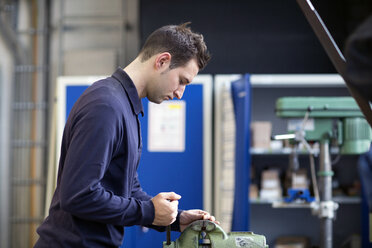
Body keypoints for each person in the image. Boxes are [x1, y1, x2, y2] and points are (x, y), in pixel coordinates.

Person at [35, 22, 217, 247]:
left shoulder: (127, 107)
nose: (180, 93)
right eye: (182, 81)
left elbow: (127, 188)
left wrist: (173, 219)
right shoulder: (106, 106)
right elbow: (78, 195)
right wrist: (148, 212)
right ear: (162, 61)